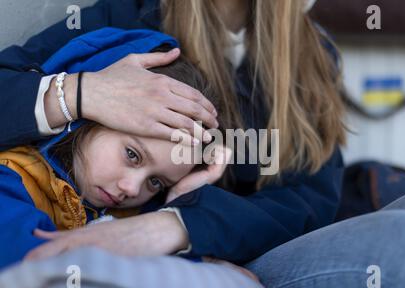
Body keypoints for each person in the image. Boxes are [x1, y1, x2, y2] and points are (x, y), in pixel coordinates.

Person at [1, 0, 405, 288]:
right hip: (198, 269)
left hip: (241, 250)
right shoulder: (128, 18)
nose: (130, 184)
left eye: (151, 177)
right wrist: (82, 93)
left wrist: (180, 225)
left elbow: (312, 200)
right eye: (133, 157)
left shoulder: (313, 54)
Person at [0, 36, 232, 270]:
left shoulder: (135, 212)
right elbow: (40, 278)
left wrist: (182, 200)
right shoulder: (12, 180)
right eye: (132, 154)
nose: (131, 189)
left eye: (155, 182)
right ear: (91, 117)